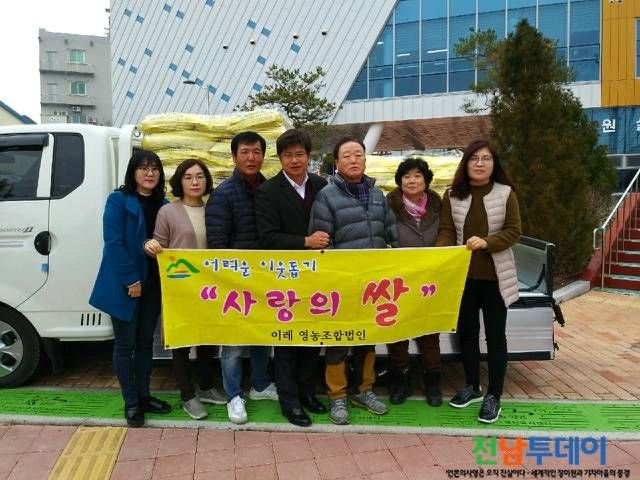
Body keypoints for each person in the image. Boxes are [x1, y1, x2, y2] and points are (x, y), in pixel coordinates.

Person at [308, 136, 398, 425]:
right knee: (338, 340)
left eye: (358, 154)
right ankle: (337, 395)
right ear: (337, 163)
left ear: (365, 159)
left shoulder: (378, 195)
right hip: (342, 284)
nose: (353, 160)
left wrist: (393, 253)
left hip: (373, 285)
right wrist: (339, 276)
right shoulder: (326, 196)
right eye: (346, 156)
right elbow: (323, 243)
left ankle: (364, 389)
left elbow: (391, 232)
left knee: (367, 339)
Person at [436, 139, 521, 424]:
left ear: (494, 164)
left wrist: (486, 242)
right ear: (466, 163)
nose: (480, 163)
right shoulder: (452, 195)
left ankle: (494, 395)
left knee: (496, 337)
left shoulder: (505, 193)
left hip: (496, 278)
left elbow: (513, 231)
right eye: (474, 158)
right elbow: (447, 230)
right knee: (467, 334)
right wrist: (439, 252)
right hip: (464, 279)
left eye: (486, 158)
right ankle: (473, 386)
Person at [89, 150, 171, 427]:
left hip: (154, 283)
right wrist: (131, 280)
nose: (150, 173)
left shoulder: (164, 204)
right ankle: (132, 402)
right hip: (126, 284)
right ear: (133, 172)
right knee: (125, 344)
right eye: (143, 168)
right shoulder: (119, 199)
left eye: (155, 168)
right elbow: (113, 243)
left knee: (146, 343)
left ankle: (144, 395)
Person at [255, 129, 329, 427]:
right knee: (286, 342)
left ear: (309, 156)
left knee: (312, 339)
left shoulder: (322, 186)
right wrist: (304, 242)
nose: (295, 160)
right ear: (280, 158)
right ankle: (290, 401)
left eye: (300, 154)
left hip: (317, 277)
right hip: (285, 278)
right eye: (288, 155)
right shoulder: (268, 191)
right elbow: (266, 237)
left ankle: (307, 393)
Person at [144, 159, 227, 420]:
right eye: (188, 177)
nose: (195, 182)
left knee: (208, 339)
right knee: (181, 341)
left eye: (200, 177)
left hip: (210, 288)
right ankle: (187, 395)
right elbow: (159, 246)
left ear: (207, 181)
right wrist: (151, 246)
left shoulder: (214, 209)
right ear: (179, 181)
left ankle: (206, 386)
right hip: (181, 288)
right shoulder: (168, 212)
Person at [205, 131, 278, 425]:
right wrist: (231, 278)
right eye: (245, 152)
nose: (251, 157)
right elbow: (217, 244)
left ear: (263, 156)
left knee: (261, 335)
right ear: (234, 156)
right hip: (235, 281)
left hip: (265, 278)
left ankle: (260, 385)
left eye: (256, 152)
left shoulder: (269, 189)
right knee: (234, 343)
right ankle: (233, 395)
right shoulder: (224, 194)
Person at [385, 157, 443, 407]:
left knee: (430, 332)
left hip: (431, 278)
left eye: (417, 176)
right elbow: (381, 232)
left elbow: (448, 232)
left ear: (426, 180)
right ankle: (401, 382)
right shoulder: (388, 204)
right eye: (406, 176)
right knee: (398, 332)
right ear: (400, 181)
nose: (412, 180)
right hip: (398, 279)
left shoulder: (439, 205)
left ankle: (433, 383)